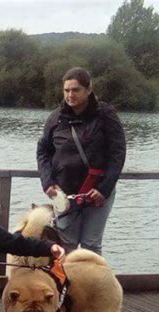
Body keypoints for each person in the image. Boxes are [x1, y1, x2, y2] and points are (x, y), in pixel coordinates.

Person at [37, 67, 126, 255]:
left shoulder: (106, 115)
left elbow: (118, 154)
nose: (70, 95)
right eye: (66, 90)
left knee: (91, 245)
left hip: (97, 191)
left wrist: (104, 189)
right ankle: (67, 284)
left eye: (76, 90)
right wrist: (48, 182)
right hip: (65, 193)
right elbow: (43, 151)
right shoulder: (55, 118)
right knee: (65, 244)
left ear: (88, 89)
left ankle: (91, 284)